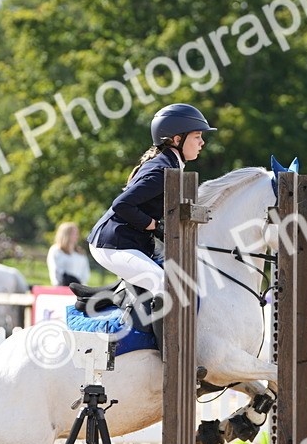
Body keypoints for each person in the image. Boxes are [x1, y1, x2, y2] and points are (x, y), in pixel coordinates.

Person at [87, 103, 215, 344]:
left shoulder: (172, 166)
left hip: (130, 241)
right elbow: (121, 205)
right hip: (112, 243)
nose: (202, 142)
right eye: (197, 136)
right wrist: (152, 225)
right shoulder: (161, 171)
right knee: (163, 283)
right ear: (177, 139)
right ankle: (169, 354)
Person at [47, 222, 90, 287]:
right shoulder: (56, 250)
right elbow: (56, 271)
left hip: (79, 288)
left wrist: (82, 285)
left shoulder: (80, 252)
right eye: (73, 233)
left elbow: (85, 272)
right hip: (62, 287)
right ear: (65, 234)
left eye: (77, 233)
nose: (76, 235)